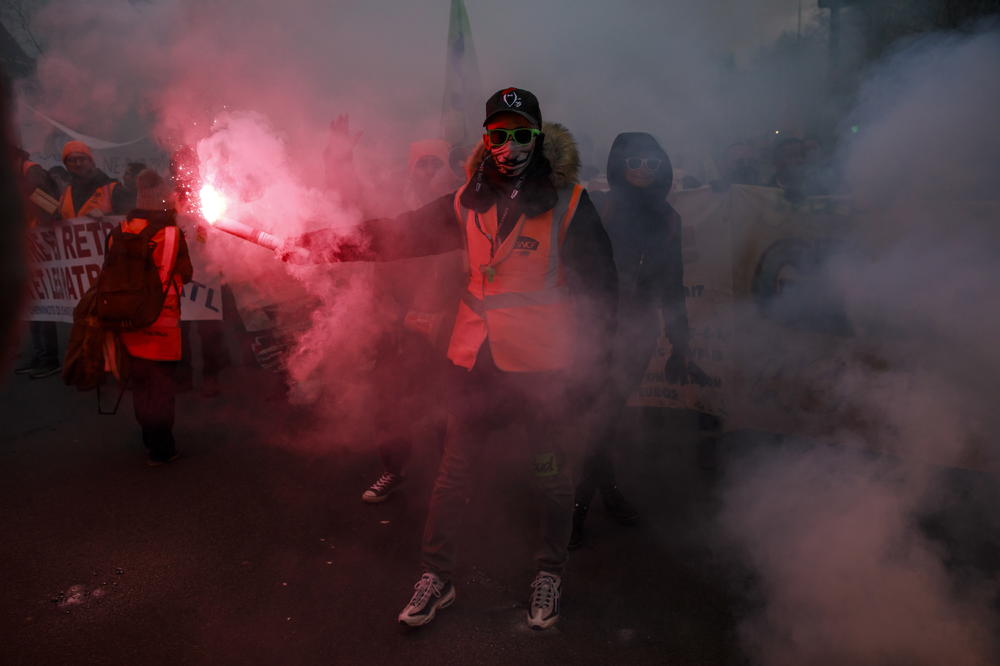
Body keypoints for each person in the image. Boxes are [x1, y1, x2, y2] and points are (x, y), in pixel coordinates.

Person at [286, 87, 617, 630]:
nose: (509, 145)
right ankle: (437, 576)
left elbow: (604, 292)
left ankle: (549, 572)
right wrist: (317, 244)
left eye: (520, 134)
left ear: (539, 137)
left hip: (541, 372)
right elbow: (396, 236)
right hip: (474, 364)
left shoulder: (572, 203)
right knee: (452, 477)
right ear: (485, 140)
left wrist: (593, 374)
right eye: (498, 134)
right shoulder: (467, 199)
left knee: (551, 476)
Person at [571, 132, 694, 549]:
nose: (643, 170)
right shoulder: (598, 205)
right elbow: (571, 267)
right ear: (618, 164)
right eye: (634, 161)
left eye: (653, 163)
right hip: (592, 327)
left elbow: (672, 284)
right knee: (594, 417)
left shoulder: (668, 218)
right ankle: (581, 506)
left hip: (637, 332)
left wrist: (681, 344)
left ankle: (593, 499)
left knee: (604, 416)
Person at [110, 169, 192, 465]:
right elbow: (186, 273)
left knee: (141, 382)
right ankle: (162, 448)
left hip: (127, 321)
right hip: (162, 323)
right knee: (160, 386)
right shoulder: (172, 233)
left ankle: (148, 438)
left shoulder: (121, 229)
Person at [13, 148, 63, 379]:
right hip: (28, 248)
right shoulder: (20, 174)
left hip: (39, 249)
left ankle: (48, 358)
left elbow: (50, 207)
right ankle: (39, 355)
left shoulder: (32, 174)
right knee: (33, 304)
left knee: (42, 303)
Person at [56, 140, 131, 219]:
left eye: (82, 159)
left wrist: (108, 217)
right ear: (66, 165)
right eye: (72, 160)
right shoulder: (64, 193)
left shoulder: (113, 189)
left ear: (91, 162)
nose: (78, 164)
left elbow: (132, 221)